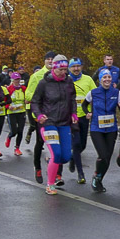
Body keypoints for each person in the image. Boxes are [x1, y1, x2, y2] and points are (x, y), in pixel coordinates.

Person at [31, 55, 77, 195]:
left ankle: (51, 162)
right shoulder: (44, 83)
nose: (63, 73)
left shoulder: (69, 81)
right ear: (54, 68)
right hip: (48, 122)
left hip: (64, 122)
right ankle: (50, 185)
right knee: (56, 154)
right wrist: (39, 115)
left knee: (65, 157)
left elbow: (73, 99)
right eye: (60, 70)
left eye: (65, 69)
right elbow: (35, 102)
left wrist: (73, 114)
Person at [82, 69, 120, 192]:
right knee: (103, 155)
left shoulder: (116, 92)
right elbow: (84, 104)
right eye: (104, 77)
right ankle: (97, 176)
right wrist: (87, 113)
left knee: (108, 158)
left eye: (109, 77)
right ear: (100, 80)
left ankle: (98, 177)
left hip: (111, 128)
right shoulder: (93, 93)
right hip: (96, 128)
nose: (107, 80)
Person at [25, 52, 55, 183]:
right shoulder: (36, 76)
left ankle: (57, 174)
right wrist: (42, 98)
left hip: (56, 115)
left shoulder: (61, 76)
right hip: (41, 115)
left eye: (52, 59)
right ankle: (37, 167)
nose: (50, 61)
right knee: (41, 142)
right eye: (48, 59)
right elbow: (28, 94)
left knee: (56, 143)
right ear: (44, 61)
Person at [69, 57, 96, 183]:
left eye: (78, 66)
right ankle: (81, 174)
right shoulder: (66, 80)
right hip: (71, 117)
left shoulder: (88, 79)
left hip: (84, 116)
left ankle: (73, 158)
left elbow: (95, 95)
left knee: (83, 144)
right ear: (69, 68)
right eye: (73, 66)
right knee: (76, 143)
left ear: (81, 67)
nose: (76, 69)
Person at [5, 71, 27, 156]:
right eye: (15, 79)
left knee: (20, 131)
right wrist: (8, 106)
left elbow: (27, 97)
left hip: (21, 112)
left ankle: (17, 148)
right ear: (12, 80)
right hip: (12, 113)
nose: (17, 81)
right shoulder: (9, 89)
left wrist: (27, 100)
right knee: (14, 131)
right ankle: (9, 136)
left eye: (18, 79)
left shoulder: (23, 88)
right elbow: (4, 100)